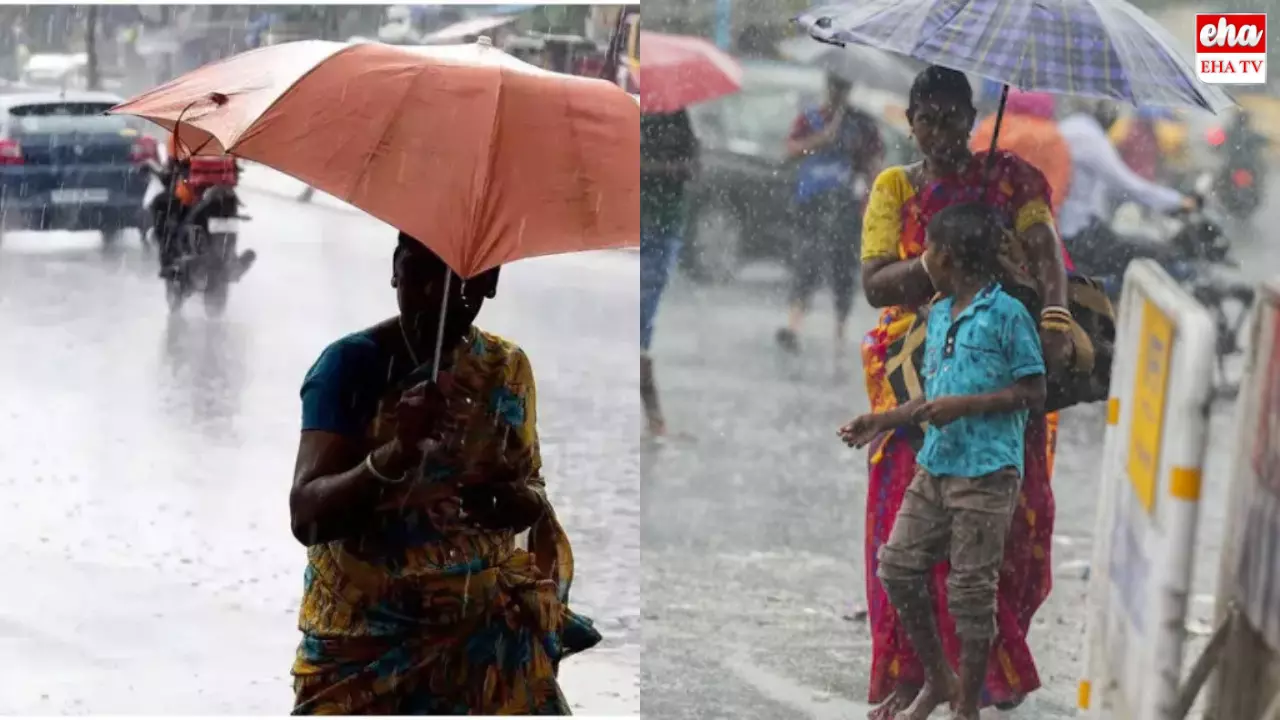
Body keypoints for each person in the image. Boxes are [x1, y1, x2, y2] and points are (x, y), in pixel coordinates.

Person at [288, 232, 601, 714]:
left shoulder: (504, 370)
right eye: (419, 272)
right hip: (362, 655)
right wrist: (397, 452)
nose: (435, 295)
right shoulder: (350, 367)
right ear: (394, 267)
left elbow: (532, 488)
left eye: (462, 282)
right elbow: (307, 515)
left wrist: (513, 501)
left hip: (484, 644)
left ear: (490, 283)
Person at [857, 65, 1071, 718]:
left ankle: (976, 683)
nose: (942, 133)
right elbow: (874, 285)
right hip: (915, 373)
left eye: (954, 119)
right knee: (901, 544)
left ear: (974, 121)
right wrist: (939, 261)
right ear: (910, 121)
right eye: (929, 118)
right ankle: (920, 671)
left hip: (999, 372)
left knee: (1008, 540)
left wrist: (1052, 313)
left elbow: (1046, 257)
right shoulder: (895, 188)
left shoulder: (1012, 182)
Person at [842, 202, 1048, 720]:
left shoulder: (1008, 315)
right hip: (934, 466)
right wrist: (882, 420)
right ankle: (939, 675)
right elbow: (934, 394)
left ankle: (965, 710)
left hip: (986, 474)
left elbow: (1033, 389)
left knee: (971, 594)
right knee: (897, 568)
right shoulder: (936, 314)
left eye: (929, 248)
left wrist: (968, 407)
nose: (923, 257)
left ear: (950, 257)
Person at [777, 73, 884, 354]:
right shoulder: (810, 118)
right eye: (834, 87)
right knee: (806, 261)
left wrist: (871, 183)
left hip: (847, 206)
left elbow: (874, 163)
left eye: (843, 87)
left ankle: (839, 331)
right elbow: (789, 150)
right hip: (811, 203)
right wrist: (820, 139)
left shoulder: (861, 124)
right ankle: (794, 324)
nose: (838, 93)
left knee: (843, 268)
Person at [1057, 100, 1196, 277]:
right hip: (1075, 231)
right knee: (1152, 254)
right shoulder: (1090, 137)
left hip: (1067, 225)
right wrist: (1177, 201)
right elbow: (1126, 184)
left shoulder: (1071, 126)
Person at [640, 108, 698, 436]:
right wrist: (666, 169)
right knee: (643, 310)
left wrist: (684, 167)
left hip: (668, 222)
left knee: (649, 302)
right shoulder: (643, 119)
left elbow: (694, 164)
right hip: (647, 220)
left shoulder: (679, 117)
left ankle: (654, 417)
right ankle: (654, 415)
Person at [969, 90, 1072, 214]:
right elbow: (1060, 182)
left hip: (989, 210)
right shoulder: (1053, 137)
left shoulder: (991, 127)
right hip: (1036, 214)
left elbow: (975, 168)